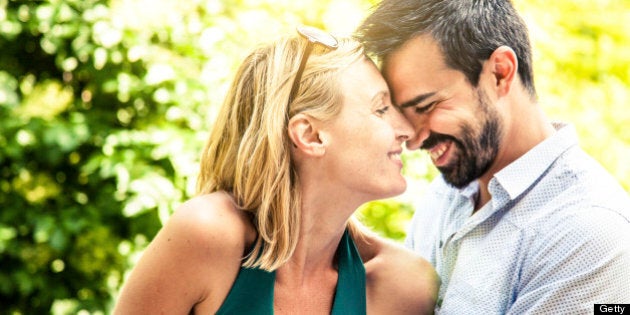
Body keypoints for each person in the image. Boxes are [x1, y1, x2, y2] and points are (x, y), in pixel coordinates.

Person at [113, 26, 438, 314]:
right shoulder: (208, 234)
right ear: (310, 135)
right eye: (381, 109)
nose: (407, 130)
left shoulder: (402, 286)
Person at [356, 0, 630, 313]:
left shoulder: (588, 231)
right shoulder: (448, 192)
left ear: (500, 72)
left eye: (426, 107)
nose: (414, 141)